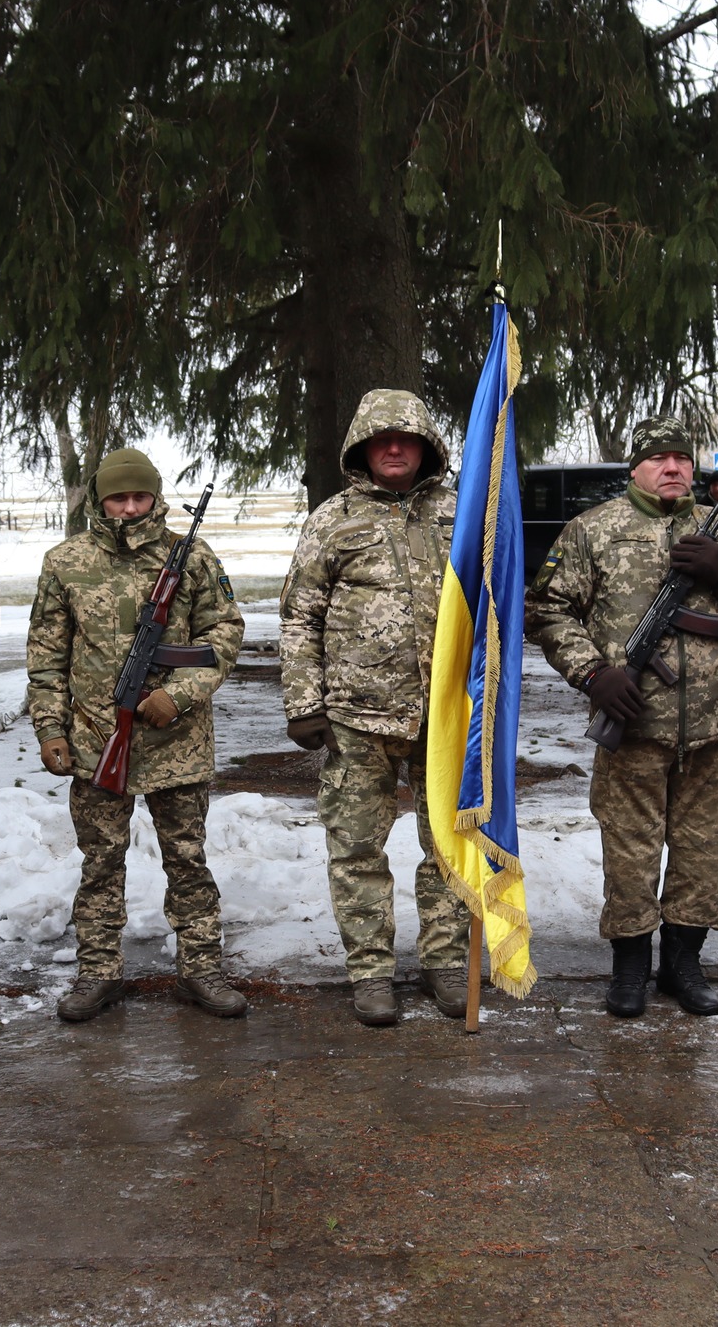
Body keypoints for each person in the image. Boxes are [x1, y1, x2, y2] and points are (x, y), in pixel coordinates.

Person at [530, 414, 718, 1018]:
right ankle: (629, 964)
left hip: (710, 728)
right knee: (630, 848)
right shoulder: (593, 531)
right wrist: (593, 673)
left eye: (682, 458)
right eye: (658, 459)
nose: (673, 468)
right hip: (633, 727)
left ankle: (683, 962)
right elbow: (547, 613)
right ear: (636, 468)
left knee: (702, 852)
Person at [30, 448, 246, 1022]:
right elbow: (47, 657)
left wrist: (177, 695)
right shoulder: (65, 562)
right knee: (100, 862)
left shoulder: (192, 557)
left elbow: (224, 633)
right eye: (117, 497)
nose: (129, 507)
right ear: (100, 500)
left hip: (179, 745)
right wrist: (51, 729)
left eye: (139, 496)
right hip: (97, 740)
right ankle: (98, 973)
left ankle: (201, 968)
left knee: (188, 860)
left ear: (154, 497)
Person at [280, 390, 470, 1026]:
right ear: (361, 447)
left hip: (445, 714)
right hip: (357, 717)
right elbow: (300, 615)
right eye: (381, 439)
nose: (394, 449)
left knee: (448, 843)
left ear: (426, 447)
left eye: (407, 439)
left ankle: (445, 962)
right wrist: (304, 702)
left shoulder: (464, 513)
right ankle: (370, 971)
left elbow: (496, 602)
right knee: (357, 848)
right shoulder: (332, 519)